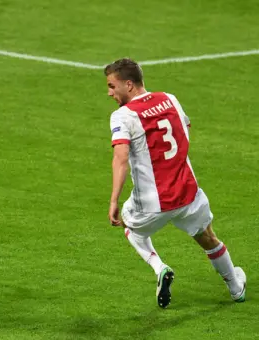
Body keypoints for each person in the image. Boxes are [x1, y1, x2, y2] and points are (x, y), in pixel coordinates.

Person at [105, 58, 246, 308]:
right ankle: (236, 288)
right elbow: (185, 128)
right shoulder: (170, 99)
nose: (109, 93)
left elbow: (121, 157)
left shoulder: (123, 116)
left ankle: (160, 268)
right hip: (188, 194)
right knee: (208, 238)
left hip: (151, 203)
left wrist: (114, 199)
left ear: (128, 84)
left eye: (112, 86)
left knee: (130, 227)